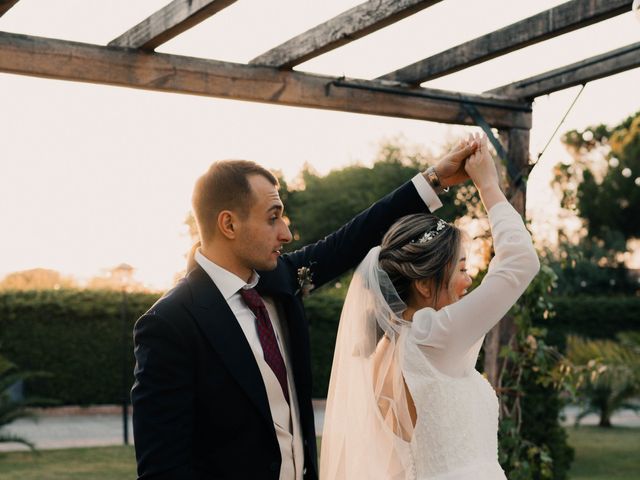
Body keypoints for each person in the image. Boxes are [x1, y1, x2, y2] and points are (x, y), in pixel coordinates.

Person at [131, 139, 478, 480]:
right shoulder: (170, 324)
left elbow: (352, 239)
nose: (286, 232)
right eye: (273, 218)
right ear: (229, 224)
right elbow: (163, 469)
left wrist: (435, 179)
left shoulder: (279, 279)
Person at [320, 134, 540, 479]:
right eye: (463, 269)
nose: (469, 281)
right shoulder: (431, 337)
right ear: (423, 284)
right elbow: (521, 262)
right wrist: (488, 186)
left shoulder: (388, 348)